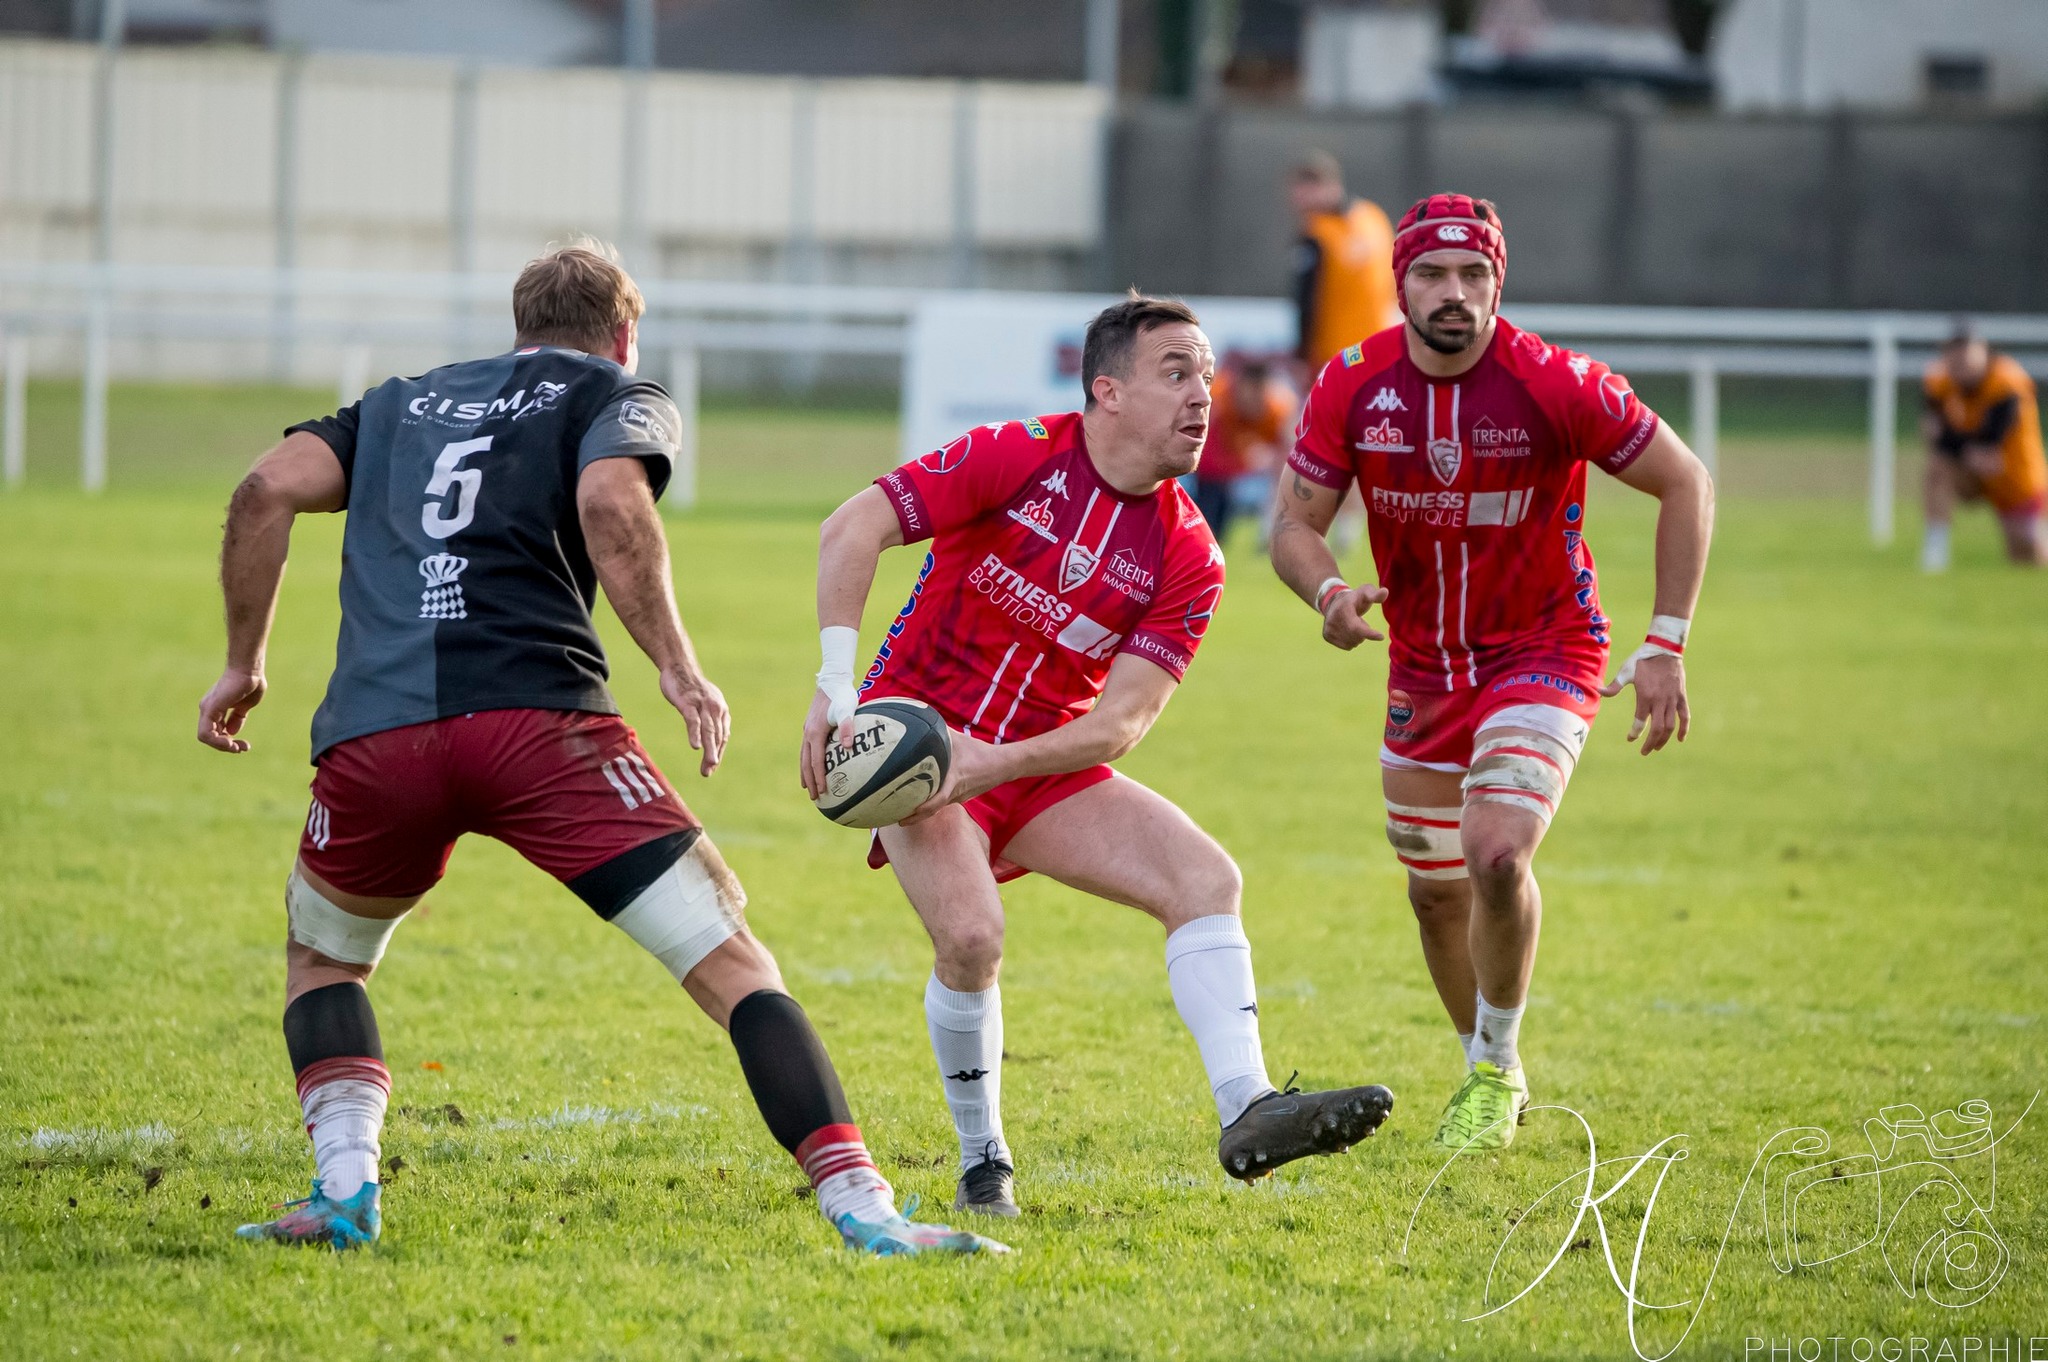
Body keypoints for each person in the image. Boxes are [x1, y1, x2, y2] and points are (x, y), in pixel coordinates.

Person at [197, 241, 1002, 1256]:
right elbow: (612, 504)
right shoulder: (616, 391)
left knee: (323, 961)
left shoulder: (398, 401)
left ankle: (346, 1188)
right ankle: (862, 1207)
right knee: (731, 966)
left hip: (376, 733)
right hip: (542, 727)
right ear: (624, 334)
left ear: (519, 324)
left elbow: (266, 487)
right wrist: (675, 665)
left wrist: (242, 664)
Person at [799, 293, 1395, 1216]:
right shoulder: (1017, 454)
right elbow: (853, 526)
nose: (1205, 394)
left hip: (1034, 764)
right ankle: (982, 1157)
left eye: (1207, 373)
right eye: (1176, 372)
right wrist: (838, 693)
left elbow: (1120, 724)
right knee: (971, 937)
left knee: (1205, 878)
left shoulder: (1190, 552)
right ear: (1105, 392)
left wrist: (993, 764)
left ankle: (1249, 1107)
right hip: (915, 747)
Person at [1268, 195, 1714, 1154]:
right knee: (1436, 890)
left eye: (1475, 277)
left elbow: (1686, 480)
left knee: (1498, 850)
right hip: (1423, 664)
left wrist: (1666, 641)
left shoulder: (1558, 382)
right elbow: (1294, 526)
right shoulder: (1350, 385)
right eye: (1433, 274)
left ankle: (1493, 1061)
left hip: (1547, 646)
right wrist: (1330, 594)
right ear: (1401, 283)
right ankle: (1491, 1065)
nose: (1455, 294)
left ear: (1498, 284)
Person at [1290, 150, 1396, 554]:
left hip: (1338, 359)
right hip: (1376, 354)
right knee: (1360, 442)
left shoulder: (1317, 234)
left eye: (1304, 190)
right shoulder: (1374, 217)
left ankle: (1302, 522)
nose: (1299, 201)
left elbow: (1306, 303)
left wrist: (1303, 356)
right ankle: (1347, 524)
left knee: (1319, 440)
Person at [1919, 322, 2047, 571]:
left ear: (1983, 351)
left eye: (1965, 351)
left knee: (2027, 557)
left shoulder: (2007, 380)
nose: (1959, 360)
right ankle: (1935, 554)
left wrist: (1956, 441)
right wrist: (1965, 448)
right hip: (1974, 470)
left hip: (2015, 477)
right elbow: (1935, 434)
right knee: (1938, 468)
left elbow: (1991, 439)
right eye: (1953, 352)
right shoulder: (1940, 380)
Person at [1188, 358, 1295, 545]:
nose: (1254, 400)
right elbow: (1205, 461)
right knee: (1208, 526)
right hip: (1215, 473)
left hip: (1252, 475)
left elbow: (1291, 456)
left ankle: (1273, 532)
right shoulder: (1217, 401)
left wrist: (1270, 461)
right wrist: (1244, 462)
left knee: (1289, 477)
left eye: (1259, 392)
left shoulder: (1278, 409)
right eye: (1250, 392)